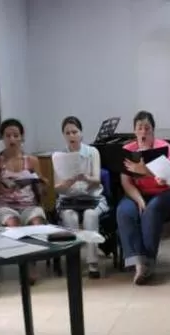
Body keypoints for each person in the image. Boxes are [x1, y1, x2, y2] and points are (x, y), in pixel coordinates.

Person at [116, 110, 170, 285]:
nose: (144, 132)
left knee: (151, 211)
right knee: (124, 211)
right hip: (138, 193)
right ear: (134, 131)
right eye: (140, 128)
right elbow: (126, 182)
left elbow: (169, 177)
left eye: (147, 128)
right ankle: (138, 263)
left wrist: (144, 170)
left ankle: (148, 262)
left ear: (153, 130)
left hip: (166, 192)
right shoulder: (127, 150)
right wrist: (139, 199)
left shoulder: (164, 147)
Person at [55, 116, 108, 279]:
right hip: (68, 200)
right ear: (63, 135)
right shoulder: (58, 156)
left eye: (74, 132)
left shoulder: (92, 152)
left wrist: (85, 177)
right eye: (67, 133)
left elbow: (97, 180)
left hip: (91, 198)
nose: (71, 136)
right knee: (69, 216)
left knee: (90, 215)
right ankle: (73, 262)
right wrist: (67, 182)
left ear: (81, 133)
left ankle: (93, 263)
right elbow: (57, 187)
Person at [0, 118, 47, 228]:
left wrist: (42, 183)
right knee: (14, 224)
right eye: (8, 136)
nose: (12, 139)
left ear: (21, 137)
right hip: (4, 207)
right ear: (3, 138)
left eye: (16, 135)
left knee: (37, 225)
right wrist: (1, 184)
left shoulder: (31, 160)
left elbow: (42, 191)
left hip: (29, 206)